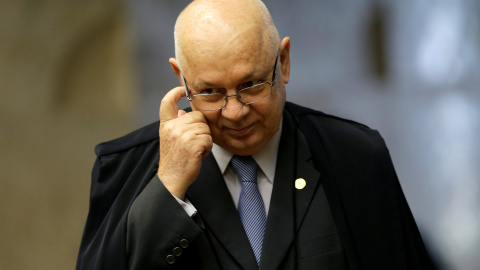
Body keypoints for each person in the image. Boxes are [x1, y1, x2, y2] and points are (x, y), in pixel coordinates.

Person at [76, 0, 436, 269]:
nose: (235, 112)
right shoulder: (123, 168)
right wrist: (167, 186)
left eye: (251, 85)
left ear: (284, 62)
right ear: (180, 79)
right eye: (211, 92)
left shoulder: (354, 155)